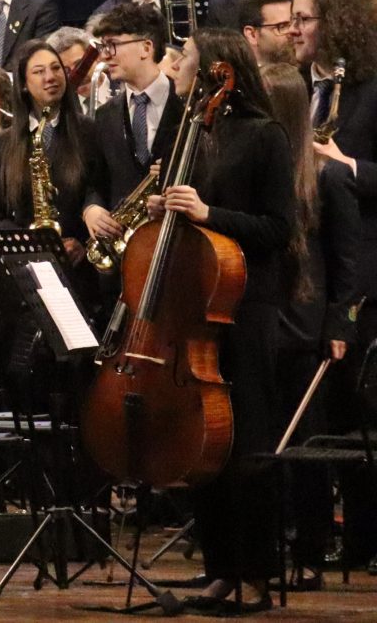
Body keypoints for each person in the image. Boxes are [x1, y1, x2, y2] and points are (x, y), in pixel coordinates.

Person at [171, 34, 296, 612]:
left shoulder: (265, 135)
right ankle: (221, 569)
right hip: (197, 303)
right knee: (205, 444)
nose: (174, 65)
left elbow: (277, 228)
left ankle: (258, 575)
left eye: (184, 59)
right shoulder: (195, 130)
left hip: (246, 305)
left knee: (246, 440)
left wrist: (207, 213)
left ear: (217, 71)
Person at [260, 62, 360, 589]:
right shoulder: (261, 169)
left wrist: (340, 324)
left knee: (304, 443)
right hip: (261, 319)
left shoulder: (329, 175)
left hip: (306, 325)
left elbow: (348, 262)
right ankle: (269, 545)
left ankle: (311, 550)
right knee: (266, 438)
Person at [82, 4, 181, 256]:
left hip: (178, 244)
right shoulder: (105, 114)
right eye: (103, 46)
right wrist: (91, 209)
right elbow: (96, 182)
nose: (105, 56)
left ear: (146, 48)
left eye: (113, 45)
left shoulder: (188, 103)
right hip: (125, 252)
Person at [0, 41, 94, 258]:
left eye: (56, 68)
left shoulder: (89, 131)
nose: (50, 77)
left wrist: (83, 244)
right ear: (23, 84)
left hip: (78, 262)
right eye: (39, 71)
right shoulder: (4, 142)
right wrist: (23, 241)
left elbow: (100, 195)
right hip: (27, 261)